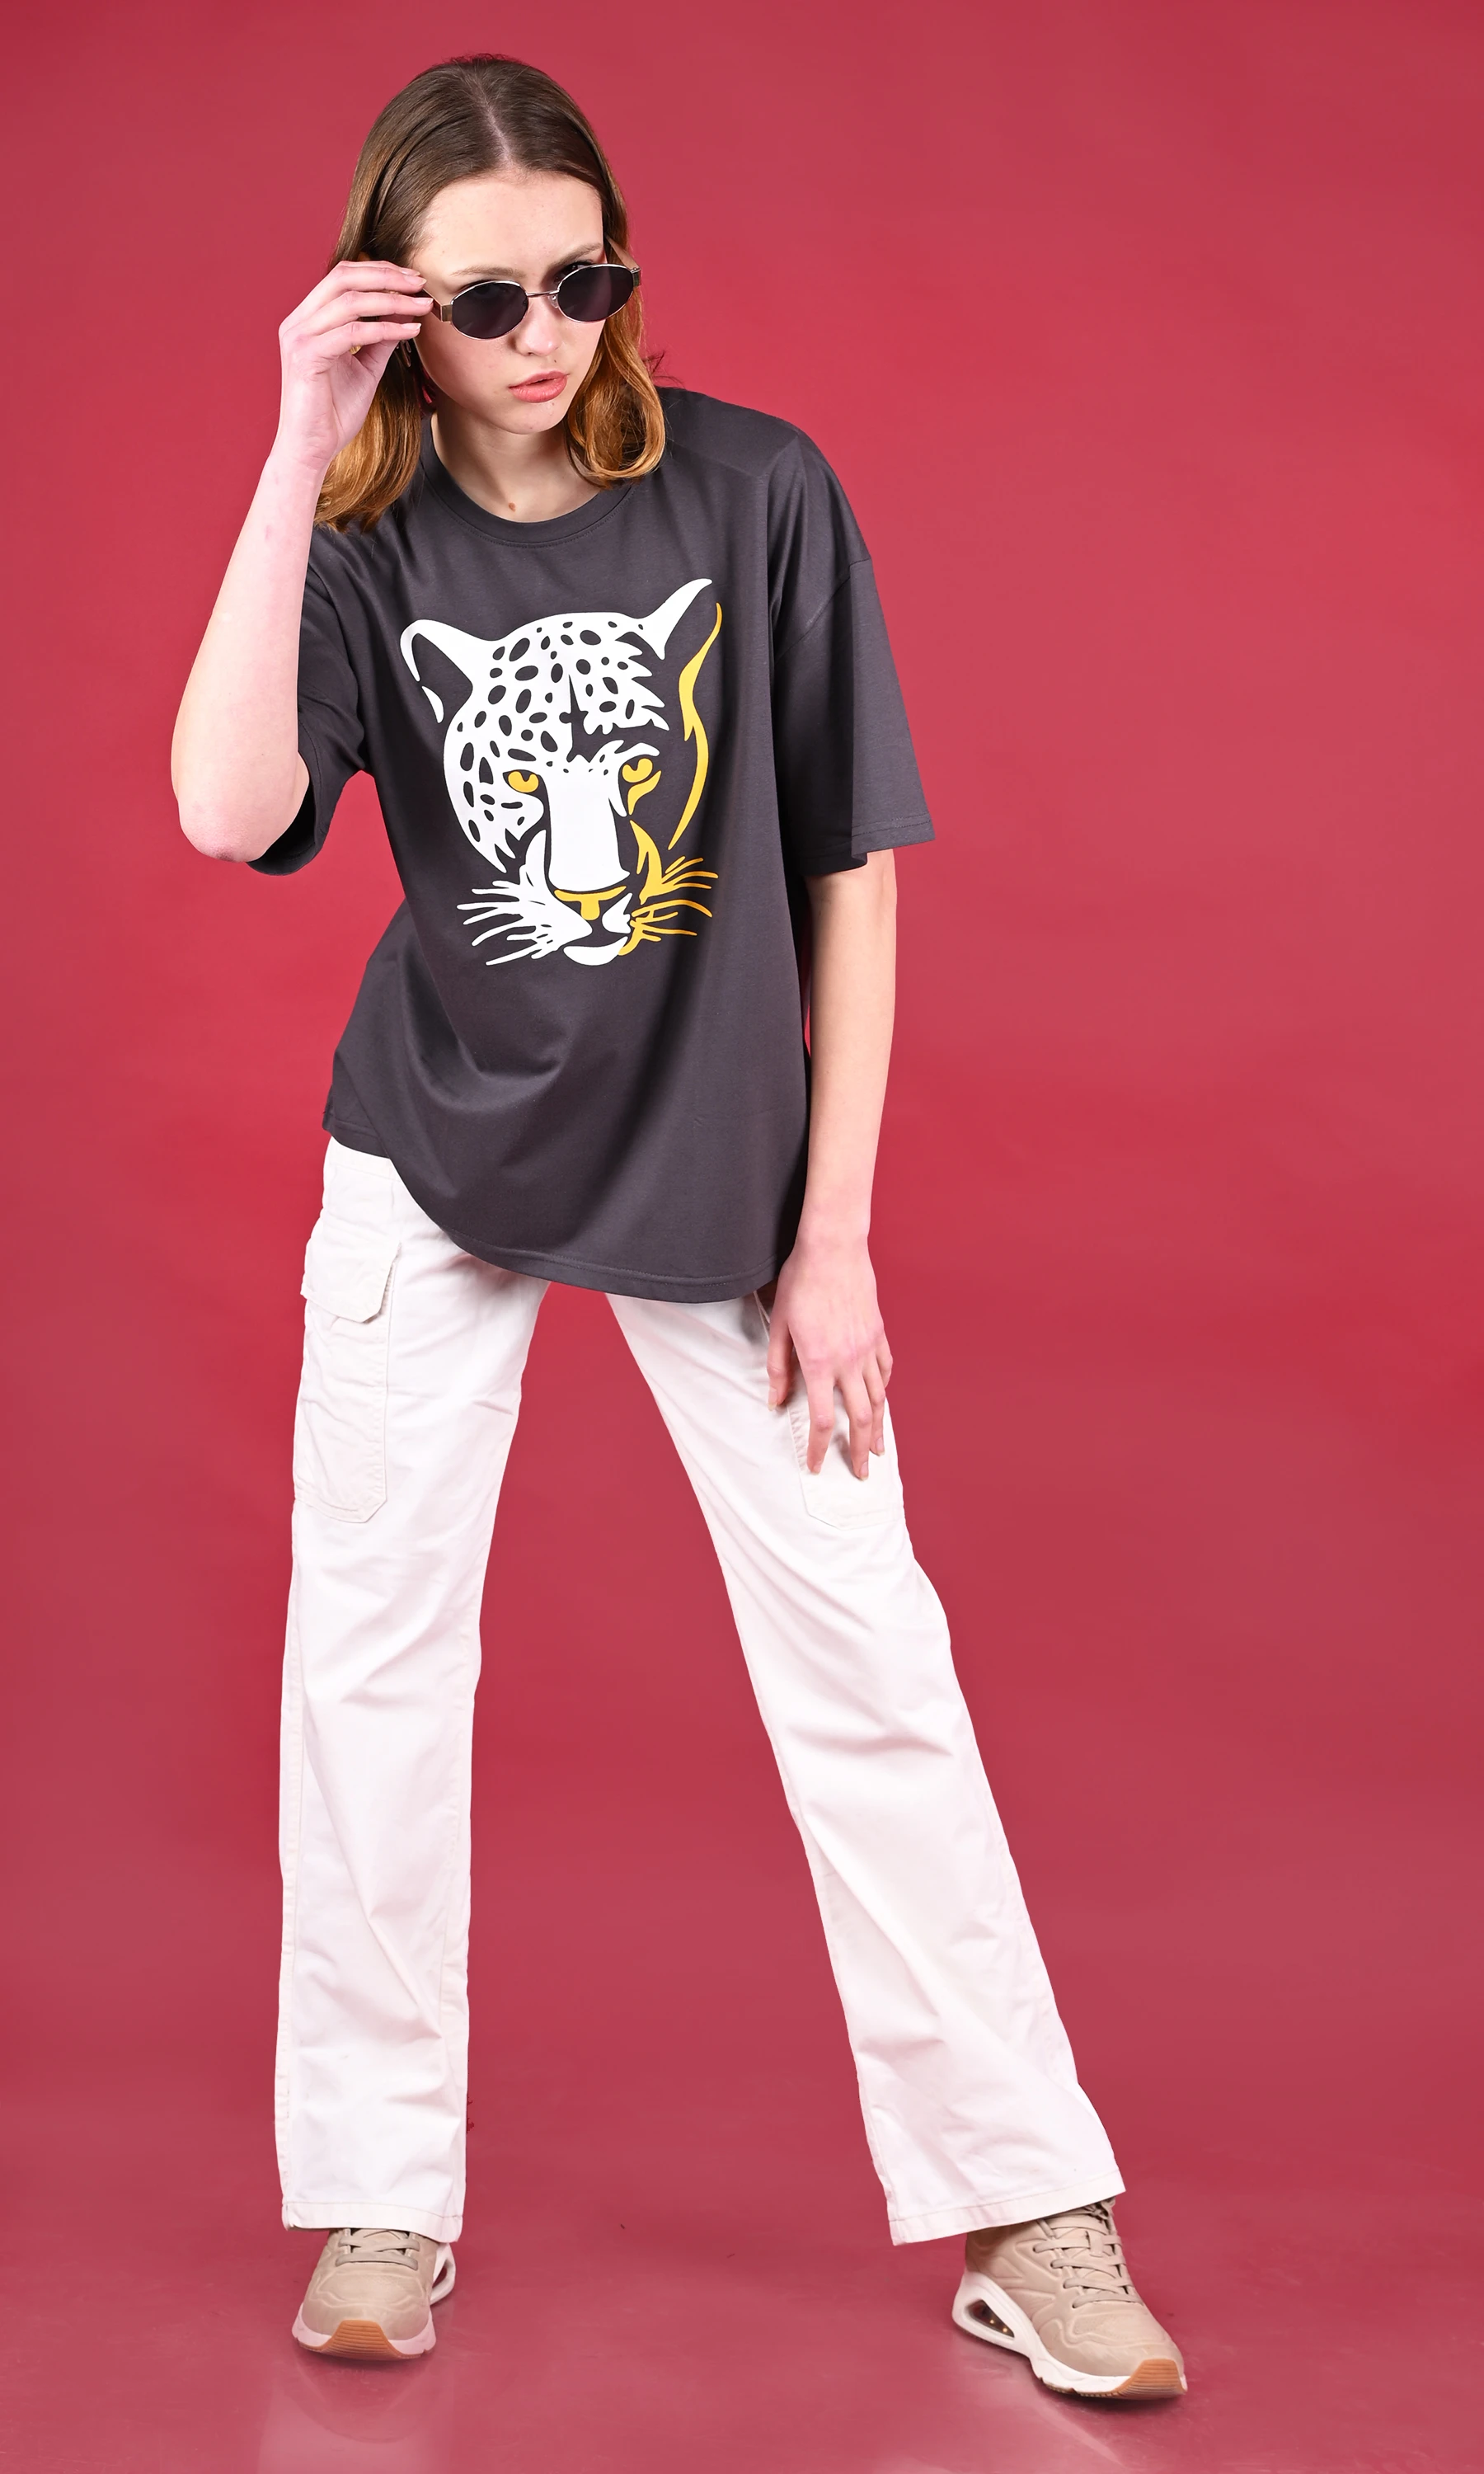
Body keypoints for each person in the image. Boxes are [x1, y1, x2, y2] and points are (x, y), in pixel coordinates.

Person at [171, 53, 1185, 2402]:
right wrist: (294, 443)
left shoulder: (756, 490)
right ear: (395, 301)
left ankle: (1027, 2199)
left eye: (583, 280)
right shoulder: (369, 536)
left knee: (871, 1655)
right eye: (484, 297)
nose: (544, 334)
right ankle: (381, 2193)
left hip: (724, 1167)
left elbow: (852, 870)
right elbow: (228, 811)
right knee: (370, 1662)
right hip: (428, 1152)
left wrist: (836, 1233)